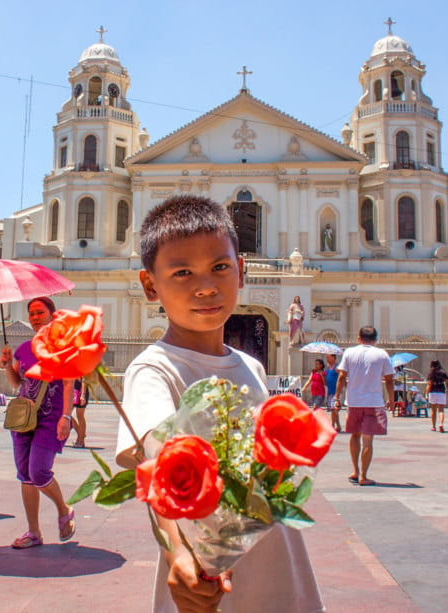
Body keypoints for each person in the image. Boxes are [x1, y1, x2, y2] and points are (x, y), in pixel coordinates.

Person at [116, 195, 324, 613]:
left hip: (281, 569)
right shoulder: (154, 370)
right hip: (208, 579)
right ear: (149, 284)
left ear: (241, 272)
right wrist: (178, 553)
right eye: (182, 272)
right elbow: (156, 472)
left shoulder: (250, 366)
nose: (206, 285)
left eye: (220, 267)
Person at [0, 297, 76, 548]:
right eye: (31, 313)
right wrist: (8, 365)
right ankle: (34, 532)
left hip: (50, 419)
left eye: (40, 312)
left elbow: (68, 383)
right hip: (24, 419)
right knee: (25, 476)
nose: (35, 317)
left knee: (39, 472)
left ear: (52, 315)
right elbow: (18, 384)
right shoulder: (23, 349)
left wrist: (66, 416)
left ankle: (64, 509)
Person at [334, 326, 394, 486]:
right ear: (375, 340)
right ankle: (364, 476)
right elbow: (389, 379)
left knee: (354, 436)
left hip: (353, 402)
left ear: (358, 338)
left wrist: (336, 397)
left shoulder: (349, 353)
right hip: (374, 403)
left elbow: (341, 377)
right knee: (368, 440)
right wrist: (392, 399)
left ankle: (355, 471)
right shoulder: (382, 354)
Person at [426, 359, 448, 432]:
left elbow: (429, 384)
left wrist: (426, 393)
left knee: (433, 410)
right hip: (441, 392)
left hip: (433, 392)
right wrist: (447, 389)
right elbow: (447, 383)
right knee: (441, 410)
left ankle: (433, 427)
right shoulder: (443, 373)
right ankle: (441, 424)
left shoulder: (431, 373)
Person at [325, 353, 342, 431]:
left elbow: (342, 377)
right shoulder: (327, 368)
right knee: (334, 410)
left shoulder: (337, 368)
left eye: (328, 357)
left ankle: (332, 425)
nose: (327, 359)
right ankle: (338, 426)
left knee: (334, 409)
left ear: (333, 357)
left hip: (336, 392)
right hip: (330, 391)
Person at [72, 377, 88, 448]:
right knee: (66, 414)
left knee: (80, 416)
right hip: (72, 390)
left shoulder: (82, 366)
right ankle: (80, 434)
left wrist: (82, 395)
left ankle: (81, 441)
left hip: (80, 391)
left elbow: (84, 380)